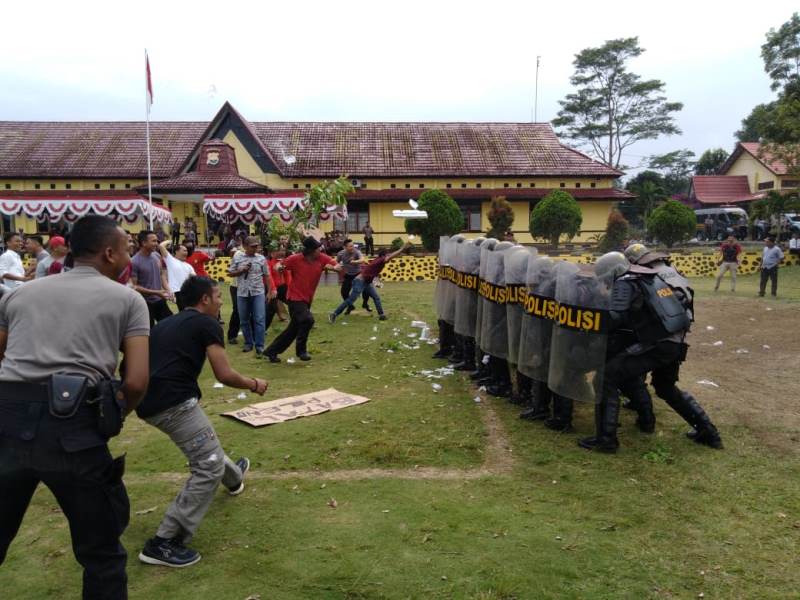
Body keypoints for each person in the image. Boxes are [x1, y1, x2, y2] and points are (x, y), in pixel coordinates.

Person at [0, 215, 150, 599]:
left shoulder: (20, 294)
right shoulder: (128, 300)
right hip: (75, 423)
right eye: (127, 247)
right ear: (109, 252)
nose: (129, 253)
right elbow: (135, 380)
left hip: (8, 417)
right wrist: (112, 418)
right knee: (101, 553)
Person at [136, 276, 267, 568]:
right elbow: (224, 374)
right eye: (219, 296)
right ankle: (164, 542)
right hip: (173, 404)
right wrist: (253, 383)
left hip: (147, 400)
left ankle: (234, 479)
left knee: (207, 447)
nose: (221, 302)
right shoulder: (207, 323)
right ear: (205, 300)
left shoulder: (167, 323)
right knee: (208, 464)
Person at [580, 251, 722, 453]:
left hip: (657, 343)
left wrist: (586, 321)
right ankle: (708, 432)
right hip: (675, 341)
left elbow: (615, 317)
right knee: (665, 387)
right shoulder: (649, 276)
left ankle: (606, 439)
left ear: (612, 272)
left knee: (606, 377)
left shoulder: (625, 282)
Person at [264, 237, 341, 362]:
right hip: (295, 298)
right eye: (317, 249)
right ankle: (301, 351)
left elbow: (334, 263)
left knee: (294, 328)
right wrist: (279, 268)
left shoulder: (321, 257)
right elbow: (278, 265)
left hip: (307, 298)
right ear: (311, 250)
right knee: (308, 320)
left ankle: (271, 351)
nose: (320, 250)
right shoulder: (295, 259)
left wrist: (336, 267)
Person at [329, 243, 410, 323]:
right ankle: (334, 314)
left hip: (366, 282)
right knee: (351, 300)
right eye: (387, 255)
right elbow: (390, 256)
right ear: (384, 255)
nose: (388, 256)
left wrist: (376, 282)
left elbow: (373, 271)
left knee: (376, 297)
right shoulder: (382, 259)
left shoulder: (378, 259)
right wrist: (402, 249)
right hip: (360, 281)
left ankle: (381, 315)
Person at [228, 236, 274, 355]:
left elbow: (267, 275)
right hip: (242, 293)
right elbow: (230, 273)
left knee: (259, 319)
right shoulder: (237, 257)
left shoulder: (261, 258)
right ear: (245, 246)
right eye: (252, 246)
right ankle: (248, 343)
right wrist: (241, 270)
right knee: (243, 319)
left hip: (258, 292)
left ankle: (260, 345)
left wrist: (270, 291)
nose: (255, 249)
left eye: (256, 246)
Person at [131, 230, 173, 326]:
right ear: (144, 243)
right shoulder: (134, 262)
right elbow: (134, 286)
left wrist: (168, 289)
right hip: (144, 303)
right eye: (153, 241)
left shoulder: (157, 256)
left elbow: (161, 274)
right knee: (149, 331)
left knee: (170, 325)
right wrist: (156, 292)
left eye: (157, 241)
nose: (157, 244)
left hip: (160, 300)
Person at [157, 241, 195, 311]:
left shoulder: (188, 266)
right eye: (184, 250)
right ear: (176, 252)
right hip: (177, 292)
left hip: (188, 292)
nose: (186, 252)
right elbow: (161, 246)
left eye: (186, 251)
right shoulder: (170, 260)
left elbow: (194, 279)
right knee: (185, 311)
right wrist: (170, 241)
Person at [336, 239, 370, 314]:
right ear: (345, 247)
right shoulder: (340, 254)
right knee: (344, 292)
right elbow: (336, 262)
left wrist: (354, 261)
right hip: (348, 275)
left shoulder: (356, 252)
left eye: (353, 245)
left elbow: (362, 259)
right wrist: (337, 266)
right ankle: (350, 306)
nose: (352, 247)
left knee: (366, 290)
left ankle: (365, 303)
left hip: (358, 274)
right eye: (350, 246)